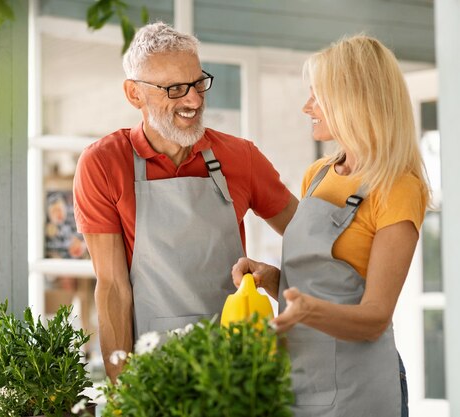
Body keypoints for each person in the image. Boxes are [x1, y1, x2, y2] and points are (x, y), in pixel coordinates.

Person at [73, 22, 298, 380]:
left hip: (234, 369)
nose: (193, 100)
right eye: (174, 89)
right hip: (152, 369)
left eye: (197, 83)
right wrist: (122, 390)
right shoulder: (103, 162)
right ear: (134, 94)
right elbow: (113, 287)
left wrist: (278, 281)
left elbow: (309, 240)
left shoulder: (241, 157)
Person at [232, 34, 429, 417]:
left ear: (354, 100)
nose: (308, 107)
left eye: (318, 96)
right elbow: (313, 287)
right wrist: (271, 277)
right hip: (301, 377)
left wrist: (307, 312)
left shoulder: (399, 188)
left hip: (361, 385)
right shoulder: (318, 175)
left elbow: (375, 317)